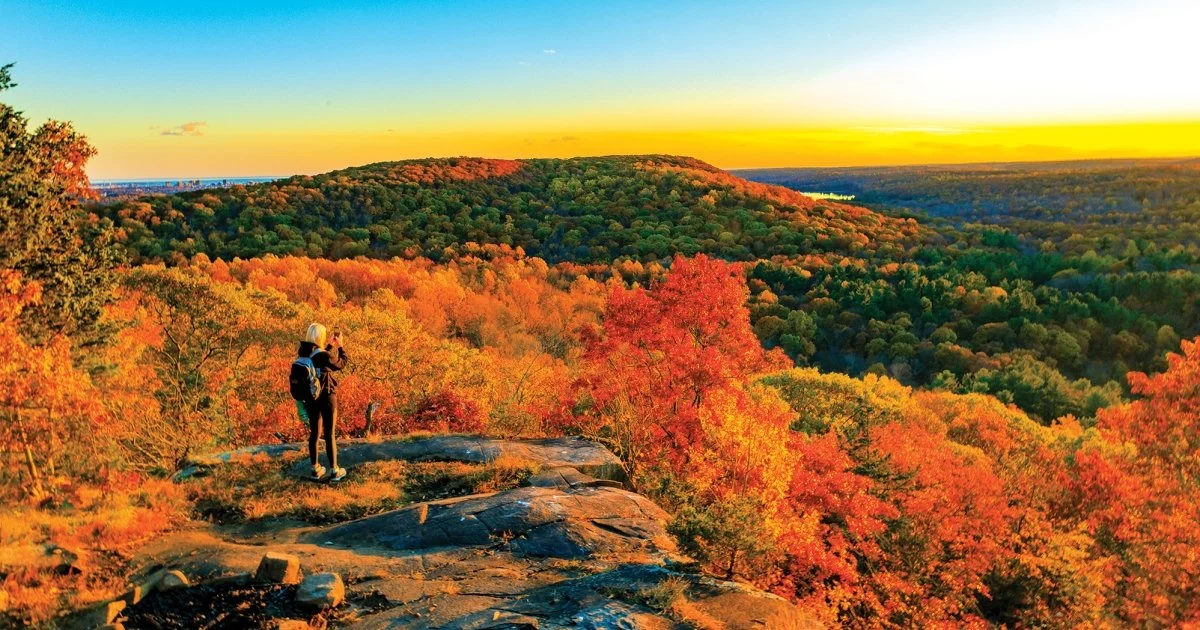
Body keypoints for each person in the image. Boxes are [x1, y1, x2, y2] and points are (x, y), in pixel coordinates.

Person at [297, 323, 349, 481]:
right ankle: (334, 470)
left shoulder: (303, 354)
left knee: (314, 434)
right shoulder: (324, 356)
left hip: (311, 399)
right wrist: (340, 347)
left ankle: (315, 469)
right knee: (329, 433)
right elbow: (341, 363)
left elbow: (318, 359)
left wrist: (329, 346)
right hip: (326, 397)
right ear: (320, 336)